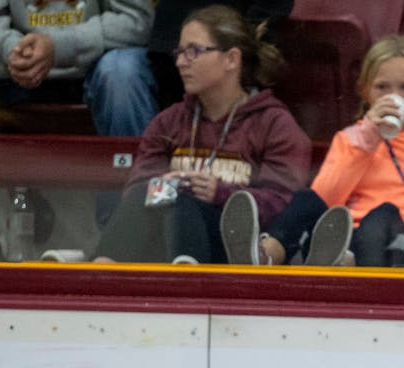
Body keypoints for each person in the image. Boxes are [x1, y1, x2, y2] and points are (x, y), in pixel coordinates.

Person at [221, 34, 404, 273]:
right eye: (382, 87)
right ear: (365, 91)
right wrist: (369, 136)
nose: (394, 96)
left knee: (381, 215)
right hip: (342, 240)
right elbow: (324, 201)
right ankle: (267, 255)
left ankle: (345, 262)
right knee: (307, 200)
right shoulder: (351, 138)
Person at [89, 4, 308, 265]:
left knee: (184, 205)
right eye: (179, 52)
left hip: (233, 247)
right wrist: (167, 186)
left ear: (231, 59)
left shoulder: (273, 123)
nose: (180, 62)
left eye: (193, 51)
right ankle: (102, 267)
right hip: (166, 241)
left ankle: (180, 271)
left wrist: (221, 193)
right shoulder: (168, 122)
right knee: (144, 197)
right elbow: (136, 191)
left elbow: (284, 203)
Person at [0, 0, 157, 259]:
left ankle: (124, 239)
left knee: (124, 73)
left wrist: (59, 46)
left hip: (98, 60)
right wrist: (11, 49)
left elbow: (137, 21)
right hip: (13, 62)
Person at [147, 0, 291, 109]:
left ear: (232, 58)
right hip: (166, 47)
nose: (181, 62)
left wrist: (244, 36)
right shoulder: (166, 125)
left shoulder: (273, 129)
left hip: (240, 42)